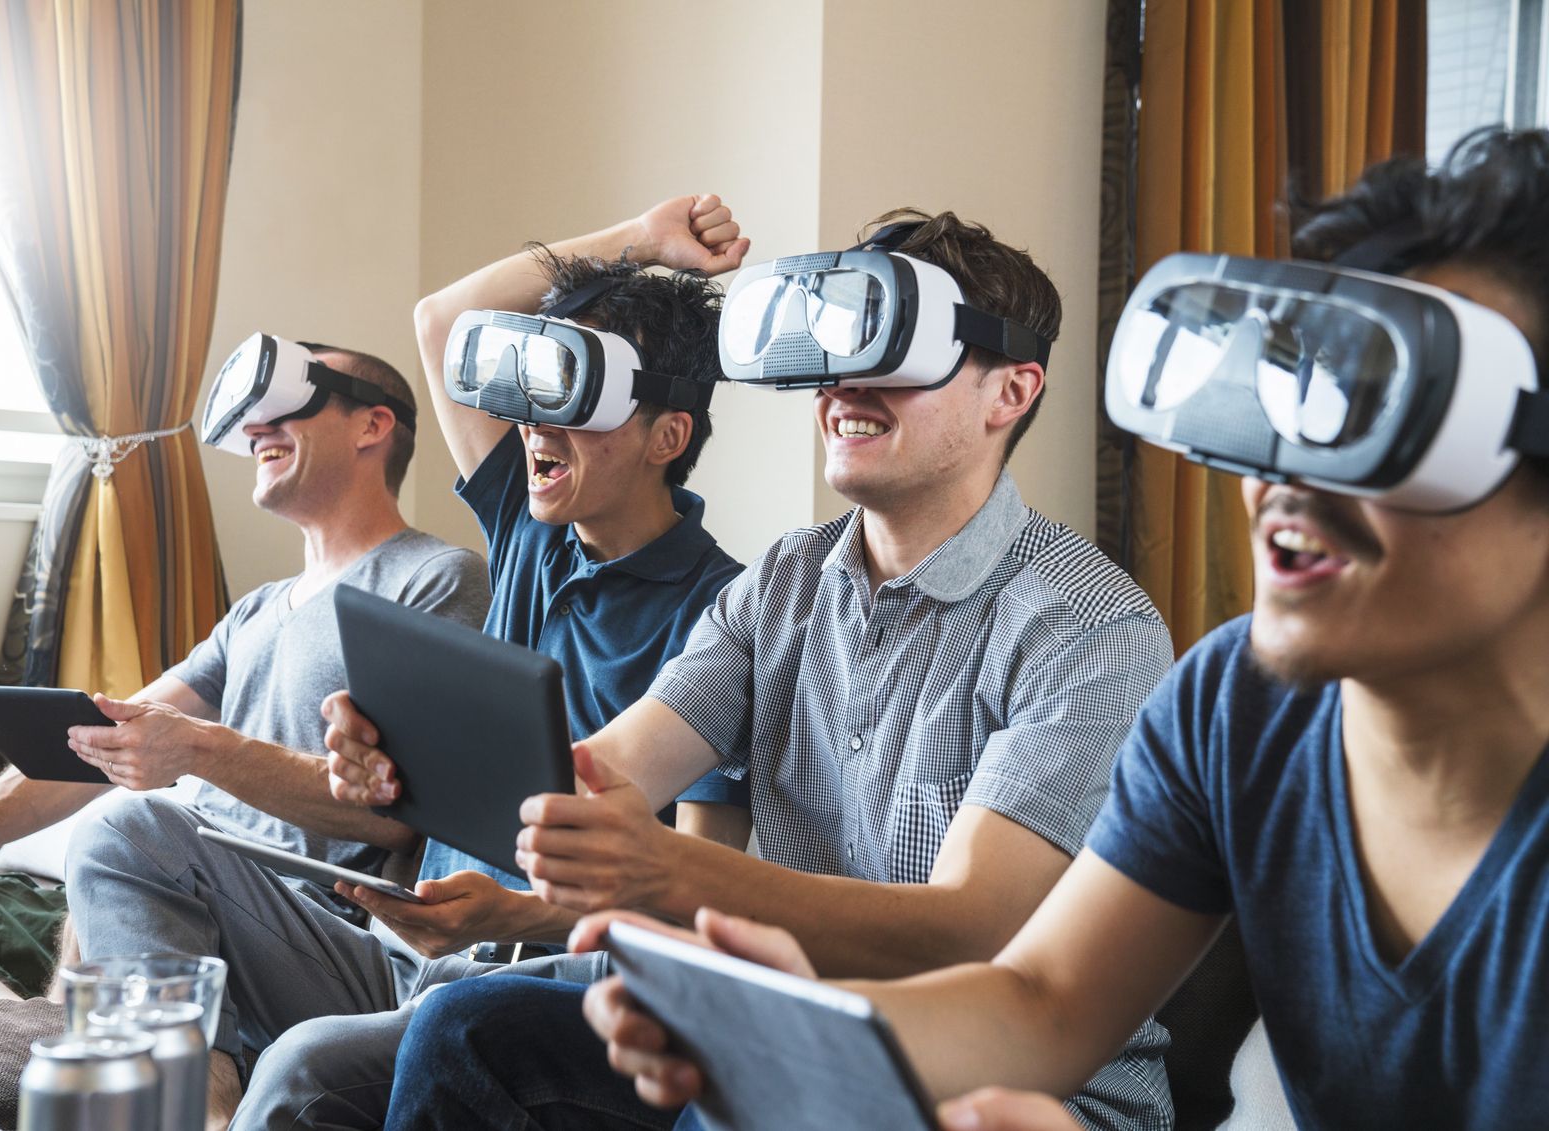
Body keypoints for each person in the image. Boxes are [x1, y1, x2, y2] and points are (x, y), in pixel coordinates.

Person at [573, 128, 1549, 1131]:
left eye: (1404, 417)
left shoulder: (1090, 625)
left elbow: (979, 934)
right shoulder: (1235, 706)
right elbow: (1042, 1000)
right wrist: (787, 1026)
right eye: (1298, 398)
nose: (1286, 482)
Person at [331, 210, 1180, 1130]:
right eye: (841, 343)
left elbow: (969, 927)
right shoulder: (785, 580)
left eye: (898, 349)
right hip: (783, 1033)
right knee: (465, 1029)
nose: (846, 383)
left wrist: (667, 870)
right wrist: (413, 759)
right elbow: (600, 774)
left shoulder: (1088, 625)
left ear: (1009, 393)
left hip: (1012, 1087)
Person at [76, 196, 757, 1131]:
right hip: (406, 937)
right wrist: (639, 241)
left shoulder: (724, 615)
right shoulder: (530, 527)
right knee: (127, 833)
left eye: (574, 401)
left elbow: (698, 899)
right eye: (529, 391)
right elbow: (444, 323)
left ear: (665, 437)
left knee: (308, 1067)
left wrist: (511, 915)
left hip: (545, 970)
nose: (530, 425)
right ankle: (200, 1093)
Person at [0, 343, 489, 1123]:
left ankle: (192, 1086)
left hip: (302, 923)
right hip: (160, 897)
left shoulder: (435, 577)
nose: (258, 426)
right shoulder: (256, 611)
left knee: (131, 827)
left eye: (288, 403)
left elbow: (404, 808)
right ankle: (25, 1019)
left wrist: (199, 751)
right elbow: (93, 741)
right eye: (250, 416)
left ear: (373, 425)